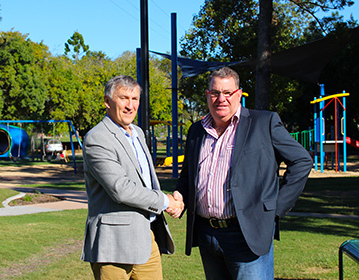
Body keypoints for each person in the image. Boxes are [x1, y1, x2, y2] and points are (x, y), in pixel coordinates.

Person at [172, 67, 312, 280]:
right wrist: (180, 197)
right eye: (216, 93)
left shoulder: (264, 123)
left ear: (238, 94)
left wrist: (276, 207)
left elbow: (301, 161)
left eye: (228, 93)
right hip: (206, 233)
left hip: (247, 234)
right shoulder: (196, 131)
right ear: (208, 95)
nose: (222, 99)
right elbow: (188, 176)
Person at [81, 75, 184, 280]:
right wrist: (166, 201)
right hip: (114, 246)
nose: (130, 105)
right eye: (124, 98)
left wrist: (173, 202)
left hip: (148, 239)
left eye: (135, 99)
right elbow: (121, 189)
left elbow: (145, 182)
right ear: (107, 102)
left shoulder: (137, 133)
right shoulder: (97, 138)